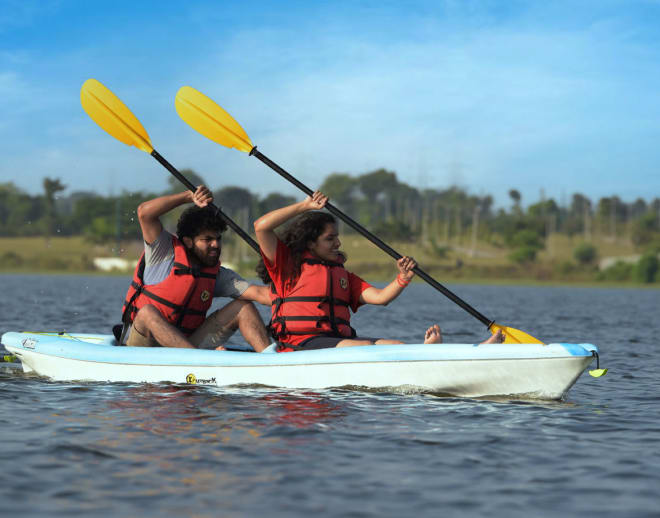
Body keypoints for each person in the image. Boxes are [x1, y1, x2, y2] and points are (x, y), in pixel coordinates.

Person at [254, 191, 505, 353]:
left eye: (337, 238)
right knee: (362, 346)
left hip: (333, 342)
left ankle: (465, 353)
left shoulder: (343, 276)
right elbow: (261, 227)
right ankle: (432, 357)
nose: (338, 244)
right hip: (299, 345)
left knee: (396, 345)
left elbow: (381, 298)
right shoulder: (287, 267)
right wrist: (305, 206)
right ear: (311, 242)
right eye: (330, 239)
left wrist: (403, 278)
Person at [120, 185, 272, 352]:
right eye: (207, 239)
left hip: (186, 346)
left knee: (244, 307)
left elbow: (261, 294)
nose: (216, 245)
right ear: (188, 241)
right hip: (140, 345)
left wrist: (299, 290)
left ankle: (273, 363)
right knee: (147, 312)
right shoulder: (163, 252)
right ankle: (198, 361)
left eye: (218, 239)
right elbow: (144, 213)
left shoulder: (217, 275)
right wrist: (187, 197)